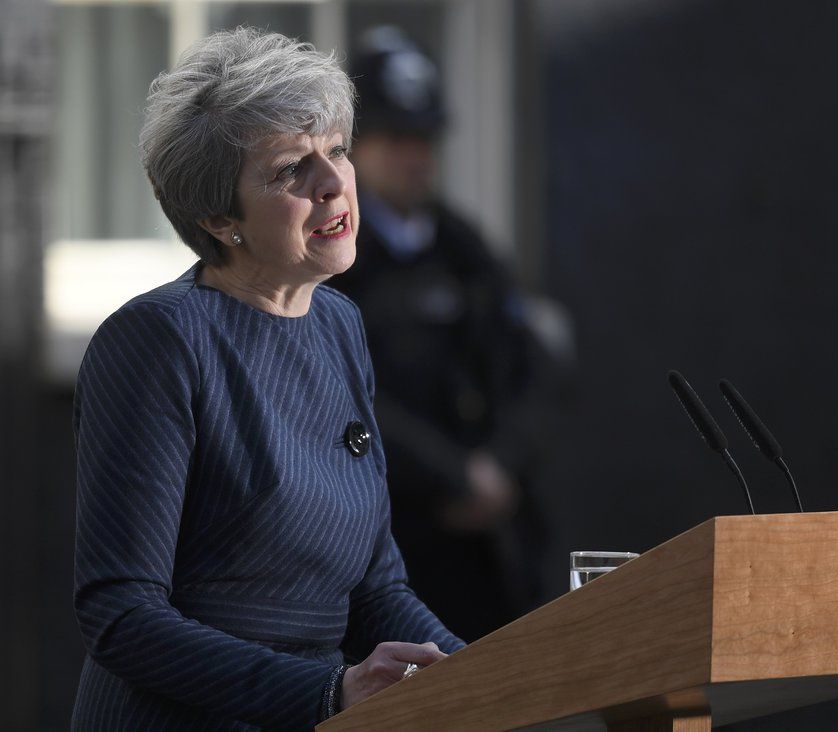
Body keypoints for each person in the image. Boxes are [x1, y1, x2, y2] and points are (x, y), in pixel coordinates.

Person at [71, 28, 463, 730]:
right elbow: (120, 616)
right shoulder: (158, 340)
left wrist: (493, 675)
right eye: (291, 170)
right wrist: (329, 691)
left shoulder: (339, 324)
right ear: (221, 219)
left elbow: (375, 587)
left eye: (337, 149)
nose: (333, 180)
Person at [329, 28, 559, 642]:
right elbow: (342, 396)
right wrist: (451, 475)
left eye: (424, 138)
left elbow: (529, 369)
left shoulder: (466, 250)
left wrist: (500, 468)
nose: (414, 157)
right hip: (386, 550)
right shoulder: (335, 259)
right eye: (396, 139)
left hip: (490, 551)